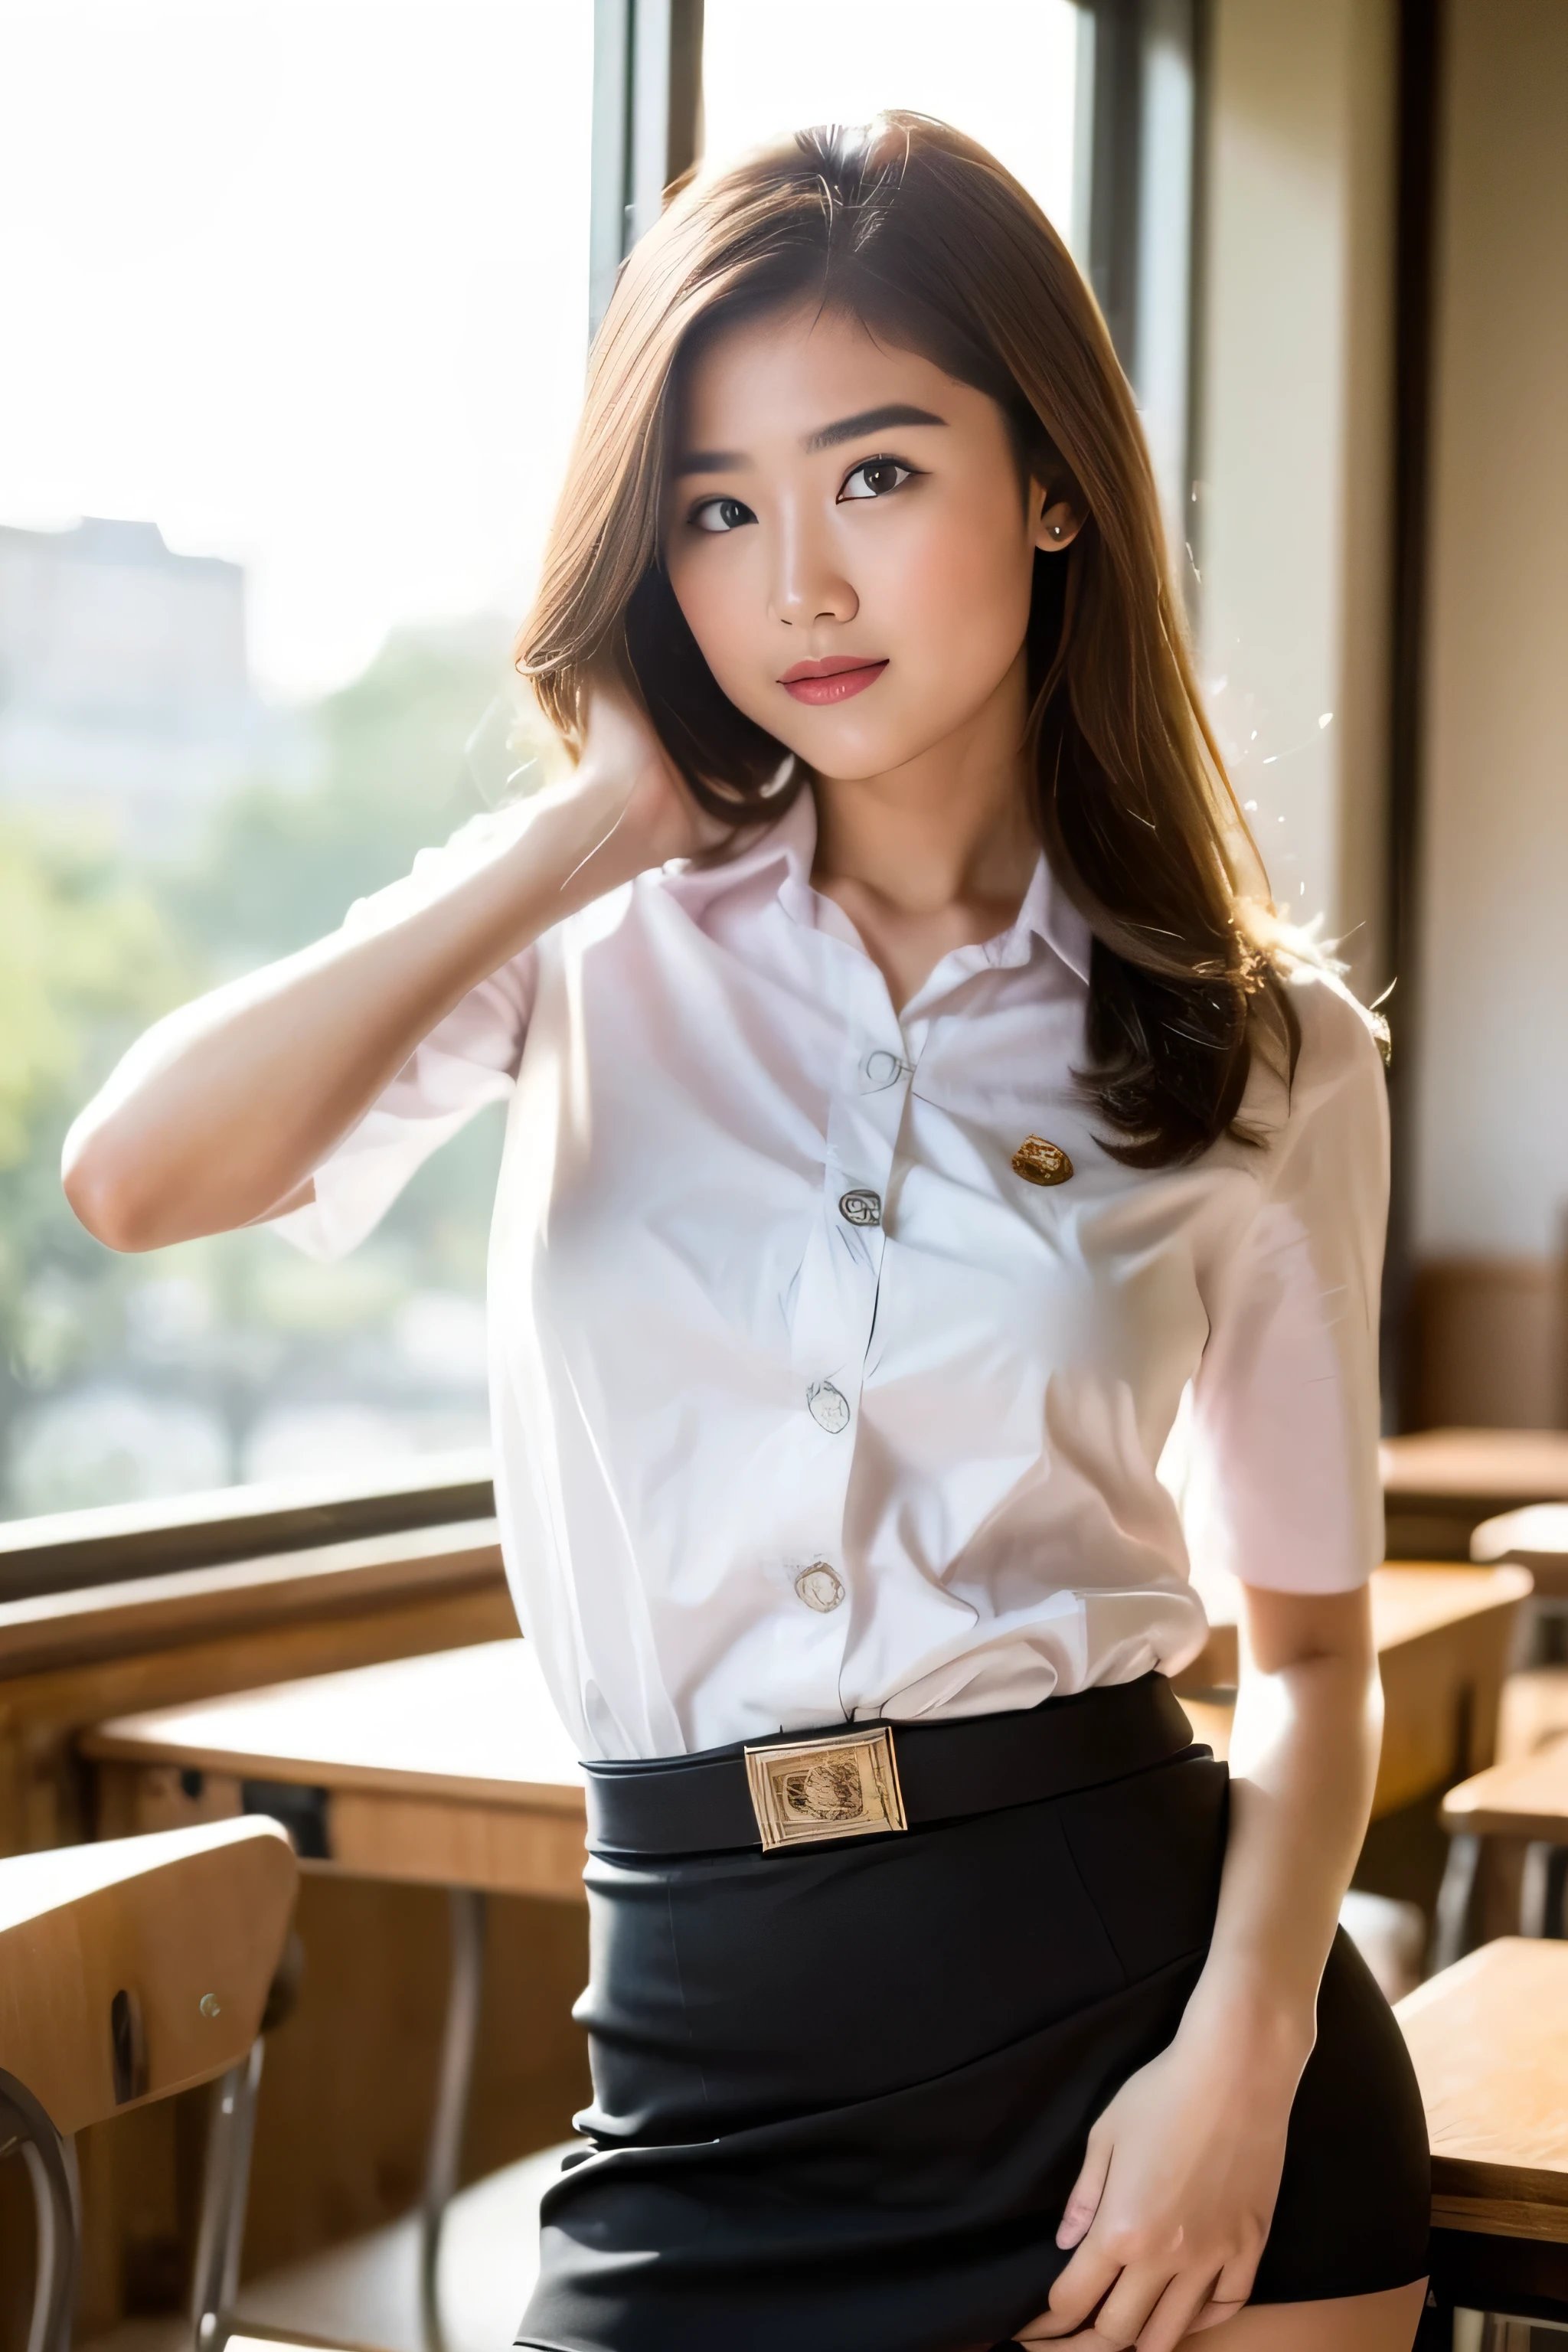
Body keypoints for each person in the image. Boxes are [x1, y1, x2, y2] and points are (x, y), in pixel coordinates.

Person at [64, 116, 1429, 2352]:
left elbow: (1305, 1664)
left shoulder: (1265, 1053)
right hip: (702, 2076)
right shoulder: (581, 950)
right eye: (719, 508)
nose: (798, 581)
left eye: (878, 475)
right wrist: (588, 827)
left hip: (1149, 2067)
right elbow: (135, 1180)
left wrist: (1244, 2064)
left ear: (1053, 483)